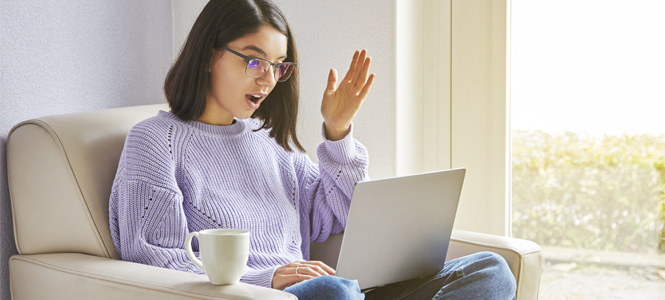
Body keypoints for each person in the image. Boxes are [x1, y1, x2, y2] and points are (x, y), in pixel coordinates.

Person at [109, 0, 517, 299]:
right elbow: (154, 262)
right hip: (271, 297)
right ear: (209, 56)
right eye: (254, 61)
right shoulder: (155, 142)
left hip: (335, 291)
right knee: (333, 292)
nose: (268, 80)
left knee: (490, 271)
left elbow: (337, 216)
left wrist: (338, 132)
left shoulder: (272, 144)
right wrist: (268, 278)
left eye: (279, 65)